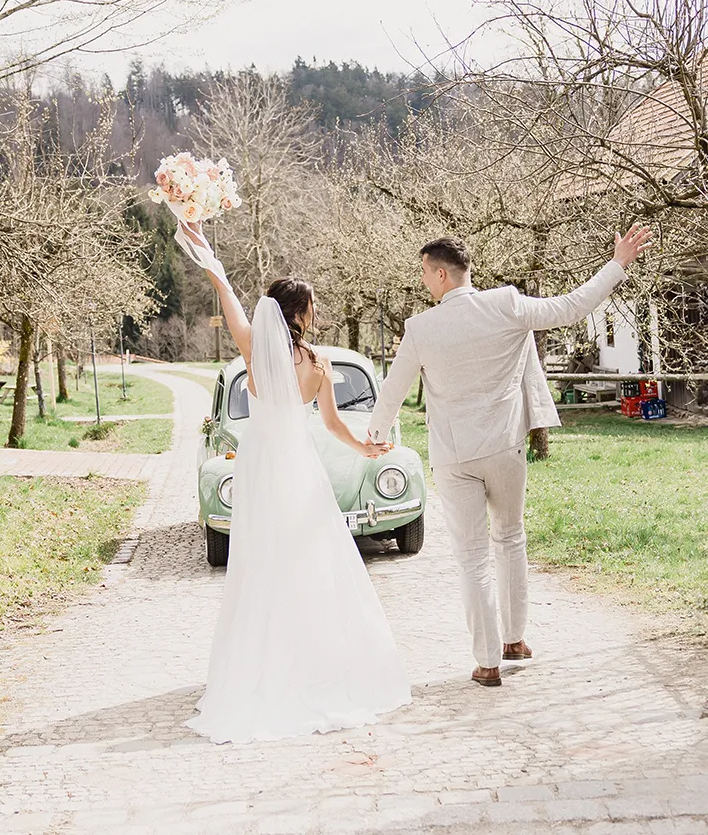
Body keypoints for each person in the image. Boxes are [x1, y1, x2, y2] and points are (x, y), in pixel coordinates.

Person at [367, 224, 653, 687]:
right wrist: (617, 262)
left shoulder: (420, 328)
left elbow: (393, 390)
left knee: (472, 557)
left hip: (455, 456)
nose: (424, 281)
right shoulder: (506, 304)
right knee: (510, 538)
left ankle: (487, 662)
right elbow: (572, 307)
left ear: (440, 274)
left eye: (424, 273)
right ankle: (515, 639)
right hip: (505, 446)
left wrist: (376, 435)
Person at [178, 221, 411, 743]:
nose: (318, 315)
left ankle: (265, 661)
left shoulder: (253, 352)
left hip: (261, 465)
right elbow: (332, 425)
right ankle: (319, 661)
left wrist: (204, 247)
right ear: (301, 316)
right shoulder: (320, 363)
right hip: (300, 465)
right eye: (313, 308)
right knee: (312, 558)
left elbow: (224, 290)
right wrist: (365, 448)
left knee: (262, 560)